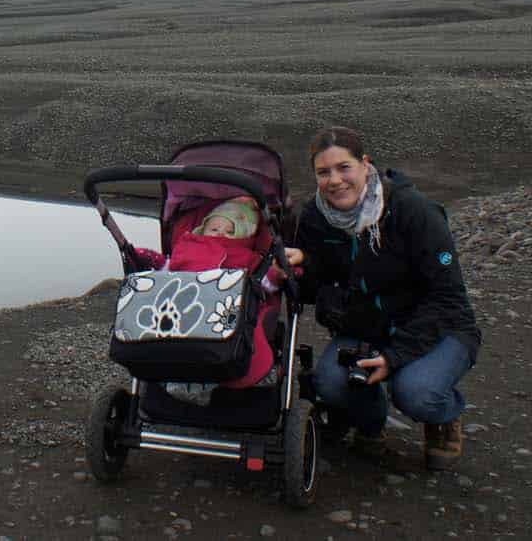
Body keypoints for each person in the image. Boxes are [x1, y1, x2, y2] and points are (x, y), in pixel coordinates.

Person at [284, 127, 481, 470]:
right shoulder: (316, 219)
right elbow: (318, 283)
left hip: (438, 328)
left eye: (343, 167)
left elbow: (448, 298)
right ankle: (370, 425)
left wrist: (394, 356)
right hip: (368, 328)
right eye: (323, 172)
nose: (335, 180)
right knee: (329, 383)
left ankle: (443, 415)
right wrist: (306, 266)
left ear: (365, 164)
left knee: (415, 392)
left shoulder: (412, 211)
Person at [132, 195, 292, 403]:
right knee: (175, 339)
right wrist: (146, 257)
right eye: (215, 229)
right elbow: (169, 267)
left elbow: (265, 281)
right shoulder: (188, 247)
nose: (220, 235)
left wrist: (278, 273)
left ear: (244, 237)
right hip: (186, 307)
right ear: (203, 229)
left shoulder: (246, 257)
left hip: (227, 313)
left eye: (230, 232)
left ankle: (207, 384)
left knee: (233, 345)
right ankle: (183, 379)